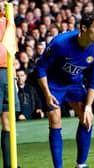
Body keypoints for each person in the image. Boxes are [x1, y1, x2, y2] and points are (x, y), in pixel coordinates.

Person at [35, 12, 94, 168]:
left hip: (74, 83)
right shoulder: (61, 43)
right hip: (52, 83)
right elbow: (40, 67)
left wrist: (88, 106)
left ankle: (81, 165)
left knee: (88, 119)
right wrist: (47, 93)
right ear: (84, 28)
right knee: (55, 120)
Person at [0, 0, 20, 167]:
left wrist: (13, 76)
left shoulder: (10, 20)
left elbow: (12, 50)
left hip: (7, 72)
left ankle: (9, 165)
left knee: (8, 119)